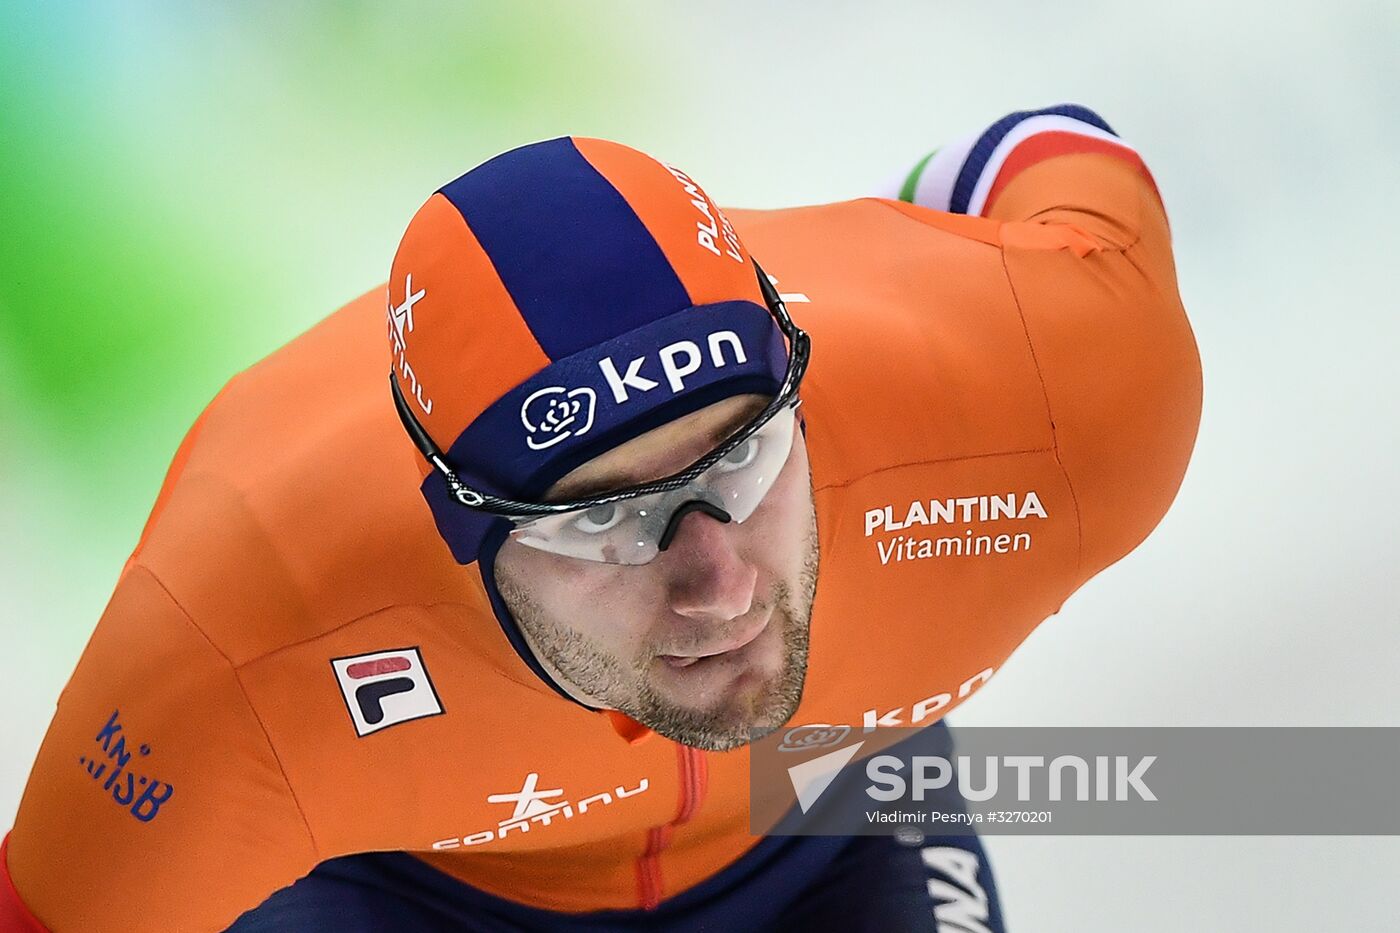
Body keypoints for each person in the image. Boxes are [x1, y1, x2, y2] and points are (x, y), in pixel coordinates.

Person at [1, 103, 1202, 932]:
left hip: (828, 802)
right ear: (458, 528)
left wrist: (921, 246)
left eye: (741, 459)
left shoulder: (1044, 390)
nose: (717, 583)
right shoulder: (233, 650)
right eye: (600, 522)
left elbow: (1040, 151)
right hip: (414, 892)